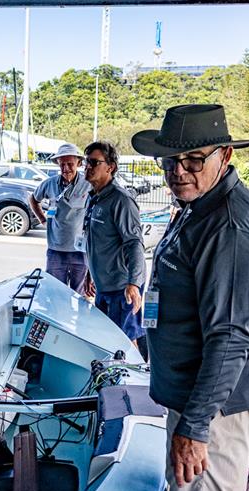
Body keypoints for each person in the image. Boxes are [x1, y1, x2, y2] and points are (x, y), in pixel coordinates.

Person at [131, 104, 249, 491]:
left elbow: (232, 337)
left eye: (195, 160)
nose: (179, 171)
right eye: (170, 161)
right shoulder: (199, 204)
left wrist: (196, 428)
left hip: (216, 408)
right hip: (196, 395)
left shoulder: (229, 227)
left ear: (226, 156)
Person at [81, 140, 146, 344]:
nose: (87, 167)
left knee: (125, 341)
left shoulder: (121, 200)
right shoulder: (95, 197)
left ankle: (136, 376)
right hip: (103, 286)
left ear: (111, 167)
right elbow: (97, 242)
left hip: (122, 287)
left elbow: (134, 243)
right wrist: (89, 274)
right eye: (86, 162)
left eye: (94, 162)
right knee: (106, 340)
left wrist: (133, 284)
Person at [30, 143, 92, 294]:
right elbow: (33, 199)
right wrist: (42, 220)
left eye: (70, 164)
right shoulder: (49, 184)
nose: (66, 169)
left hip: (80, 251)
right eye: (62, 164)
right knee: (55, 294)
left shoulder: (88, 184)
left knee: (79, 296)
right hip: (56, 251)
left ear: (78, 163)